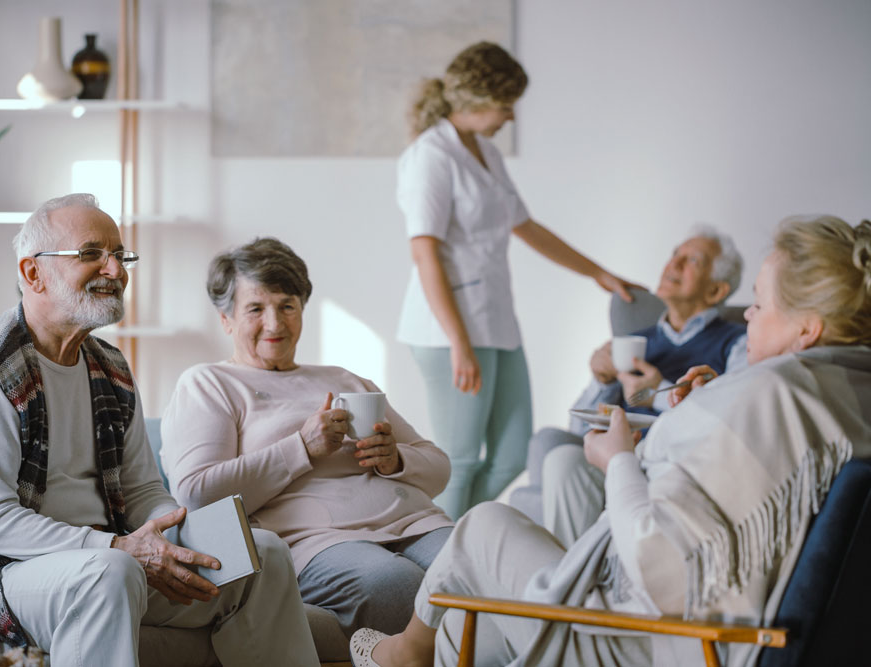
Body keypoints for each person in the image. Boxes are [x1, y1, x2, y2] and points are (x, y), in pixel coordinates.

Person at [350, 215, 871, 667]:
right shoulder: (845, 387)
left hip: (666, 644)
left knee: (483, 525)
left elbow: (660, 570)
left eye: (758, 303)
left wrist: (620, 457)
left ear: (807, 328)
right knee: (477, 616)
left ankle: (405, 653)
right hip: (746, 631)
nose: (749, 315)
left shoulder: (767, 394)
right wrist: (696, 411)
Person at [0, 194, 319, 667]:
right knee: (112, 572)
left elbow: (143, 488)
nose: (115, 269)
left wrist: (168, 539)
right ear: (32, 273)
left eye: (120, 255)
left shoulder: (110, 367)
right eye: (91, 254)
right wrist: (120, 546)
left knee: (260, 552)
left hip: (103, 555)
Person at [160, 237, 454, 637]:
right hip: (317, 543)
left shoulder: (344, 379)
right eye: (256, 309)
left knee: (475, 571)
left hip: (415, 523)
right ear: (226, 318)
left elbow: (438, 468)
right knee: (395, 585)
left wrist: (396, 460)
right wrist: (301, 448)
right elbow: (197, 493)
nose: (275, 323)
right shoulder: (210, 383)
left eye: (287, 306)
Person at [395, 41, 640, 519]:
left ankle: (454, 542)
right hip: (449, 331)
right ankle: (436, 572)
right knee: (460, 461)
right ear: (477, 100)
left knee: (512, 455)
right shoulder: (431, 156)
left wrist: (598, 273)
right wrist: (459, 342)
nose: (510, 117)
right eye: (506, 106)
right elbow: (425, 254)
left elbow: (525, 226)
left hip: (496, 323)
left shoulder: (485, 151)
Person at [510, 224, 747, 544]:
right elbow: (580, 427)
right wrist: (600, 378)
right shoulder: (637, 341)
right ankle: (544, 562)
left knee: (561, 462)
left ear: (716, 291)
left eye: (692, 261)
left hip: (667, 460)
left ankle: (551, 572)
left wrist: (655, 393)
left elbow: (733, 419)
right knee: (548, 441)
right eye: (675, 253)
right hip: (615, 449)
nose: (673, 264)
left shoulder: (736, 343)